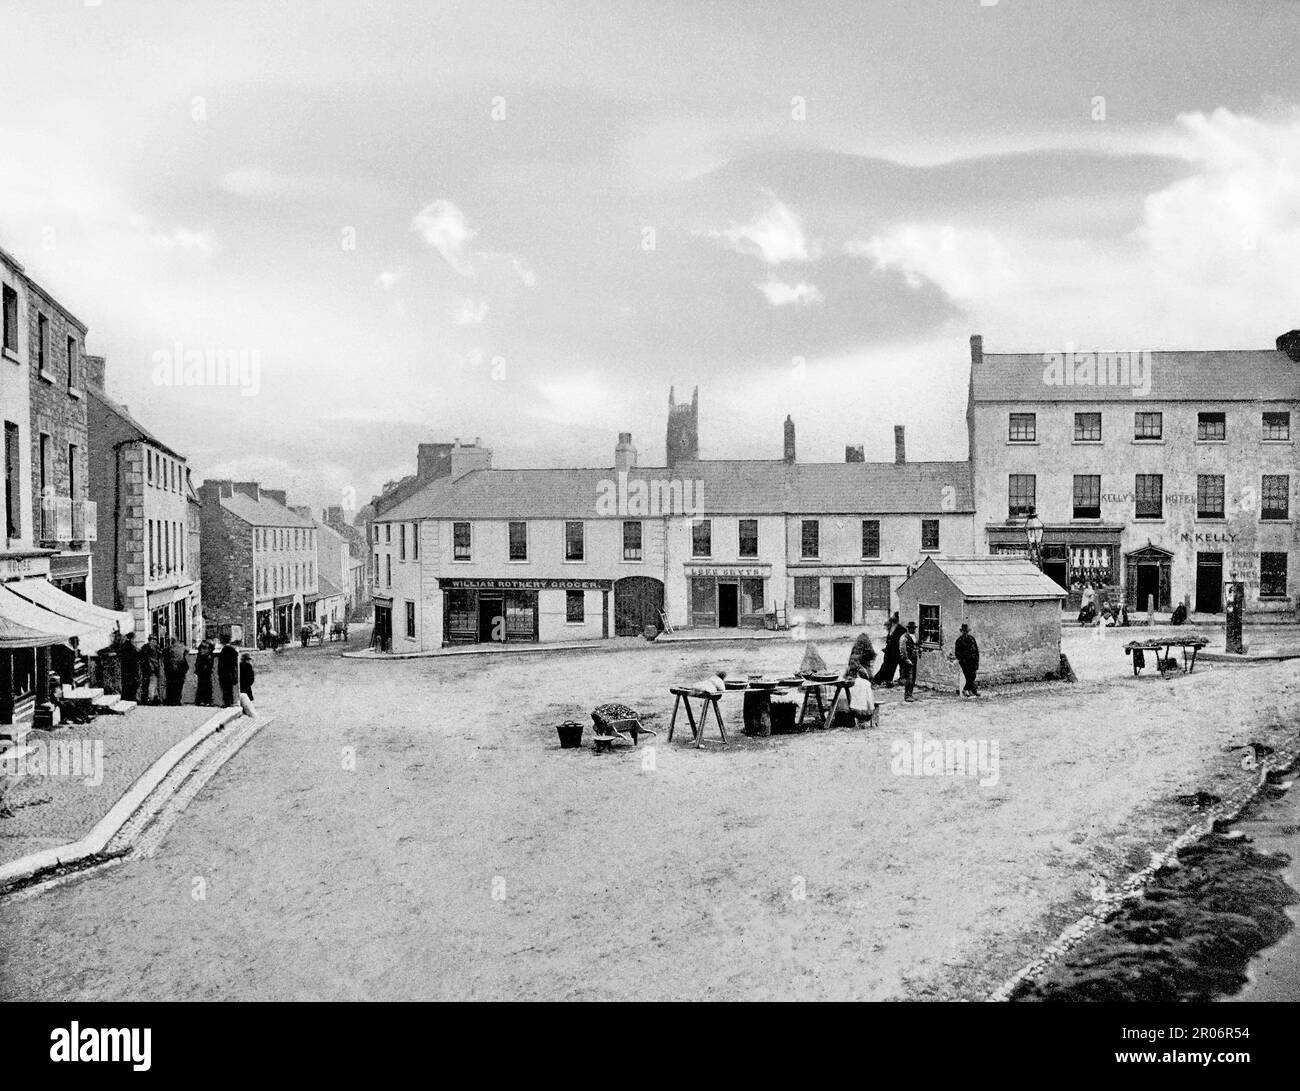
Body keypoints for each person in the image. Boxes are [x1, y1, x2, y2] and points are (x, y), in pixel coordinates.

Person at [845, 630, 878, 727]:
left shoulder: (855, 657)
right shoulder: (866, 661)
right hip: (864, 682)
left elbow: (848, 673)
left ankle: (856, 717)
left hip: (857, 683)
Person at [874, 613, 902, 687]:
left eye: (895, 617)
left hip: (895, 652)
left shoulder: (900, 629)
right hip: (888, 651)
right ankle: (878, 680)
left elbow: (898, 641)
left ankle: (887, 681)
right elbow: (889, 639)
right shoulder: (892, 627)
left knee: (892, 667)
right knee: (885, 666)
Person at [954, 623, 980, 697]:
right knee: (969, 676)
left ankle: (968, 690)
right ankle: (969, 690)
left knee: (973, 676)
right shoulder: (959, 641)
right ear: (961, 631)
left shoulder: (972, 639)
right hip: (965, 662)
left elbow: (976, 651)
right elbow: (957, 653)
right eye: (964, 631)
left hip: (973, 661)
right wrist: (963, 660)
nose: (965, 633)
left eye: (966, 631)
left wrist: (977, 661)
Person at [898, 621, 919, 702]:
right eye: (912, 628)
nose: (913, 630)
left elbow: (916, 645)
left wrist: (918, 651)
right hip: (908, 660)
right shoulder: (904, 637)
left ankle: (910, 694)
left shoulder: (915, 636)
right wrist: (906, 659)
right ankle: (907, 696)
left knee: (913, 678)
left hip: (914, 659)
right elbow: (902, 649)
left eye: (914, 628)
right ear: (908, 628)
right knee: (909, 678)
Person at [165, 638, 190, 705]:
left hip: (171, 669)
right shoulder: (182, 647)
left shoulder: (169, 648)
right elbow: (188, 650)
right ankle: (177, 700)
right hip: (180, 668)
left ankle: (170, 700)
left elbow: (164, 655)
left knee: (170, 685)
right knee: (179, 685)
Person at [217, 638, 240, 708]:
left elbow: (221, 663)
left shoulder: (224, 650)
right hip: (231, 671)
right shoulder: (233, 650)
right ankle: (231, 701)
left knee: (225, 688)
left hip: (225, 672)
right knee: (229, 688)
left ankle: (227, 703)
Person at [138, 636, 160, 705]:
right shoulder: (154, 648)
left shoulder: (144, 647)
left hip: (145, 668)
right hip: (152, 668)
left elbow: (140, 656)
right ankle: (151, 699)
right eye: (154, 640)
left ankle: (146, 698)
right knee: (152, 684)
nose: (154, 642)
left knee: (146, 683)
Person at [193, 640, 215, 706]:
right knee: (206, 686)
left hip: (202, 672)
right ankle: (206, 701)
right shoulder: (209, 655)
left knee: (202, 686)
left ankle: (202, 700)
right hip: (205, 672)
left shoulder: (200, 655)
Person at [119, 633, 139, 702]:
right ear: (131, 639)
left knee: (127, 684)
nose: (134, 640)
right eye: (134, 639)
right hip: (131, 668)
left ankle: (127, 697)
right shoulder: (130, 647)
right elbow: (134, 656)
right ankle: (130, 698)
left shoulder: (124, 646)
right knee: (132, 683)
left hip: (126, 668)